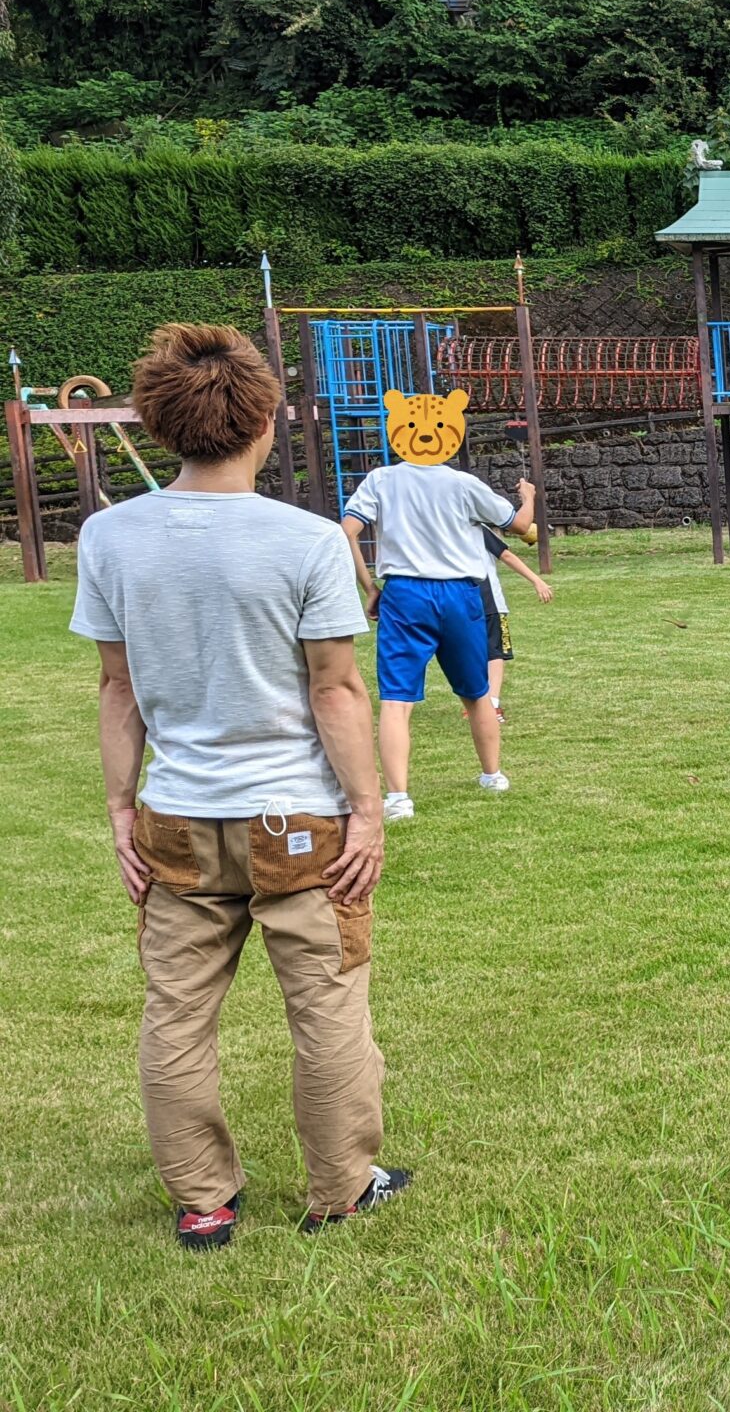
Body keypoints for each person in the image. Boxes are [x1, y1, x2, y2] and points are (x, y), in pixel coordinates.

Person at [69, 323, 407, 1250]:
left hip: (176, 815)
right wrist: (369, 811)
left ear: (161, 421)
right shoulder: (305, 541)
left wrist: (118, 808)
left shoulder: (109, 537)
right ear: (265, 423)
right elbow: (336, 687)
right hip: (297, 816)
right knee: (328, 1003)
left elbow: (117, 685)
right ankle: (342, 1187)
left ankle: (204, 1199)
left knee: (176, 1013)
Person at [339, 390, 536, 821]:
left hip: (404, 593)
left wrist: (370, 586)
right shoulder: (463, 484)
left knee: (396, 700)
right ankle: (492, 775)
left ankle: (398, 798)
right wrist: (530, 497)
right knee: (476, 693)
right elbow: (521, 527)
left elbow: (347, 531)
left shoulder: (381, 480)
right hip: (459, 593)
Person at [479, 526, 554, 722]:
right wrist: (536, 580)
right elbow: (506, 555)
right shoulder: (476, 527)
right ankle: (492, 705)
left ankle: (475, 703)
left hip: (455, 599)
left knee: (471, 651)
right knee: (495, 653)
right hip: (488, 600)